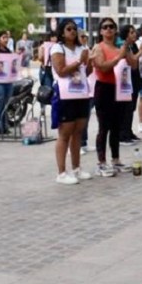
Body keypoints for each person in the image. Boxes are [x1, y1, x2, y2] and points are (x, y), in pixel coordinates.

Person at [89, 18, 132, 177]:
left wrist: (128, 50)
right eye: (105, 27)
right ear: (101, 31)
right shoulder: (98, 47)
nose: (108, 29)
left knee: (116, 126)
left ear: (115, 30)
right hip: (104, 88)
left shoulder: (119, 47)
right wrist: (119, 57)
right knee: (104, 127)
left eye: (111, 27)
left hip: (119, 88)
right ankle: (101, 162)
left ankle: (116, 159)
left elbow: (133, 65)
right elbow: (102, 67)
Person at [51, 20, 92, 185]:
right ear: (62, 32)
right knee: (65, 133)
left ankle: (76, 168)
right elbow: (61, 71)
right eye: (69, 29)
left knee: (78, 131)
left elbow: (87, 72)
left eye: (75, 29)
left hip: (81, 93)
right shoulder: (58, 48)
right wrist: (79, 61)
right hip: (65, 94)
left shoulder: (81, 49)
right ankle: (61, 173)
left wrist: (89, 61)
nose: (73, 31)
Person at [118, 24, 142, 144]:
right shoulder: (123, 46)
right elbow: (132, 61)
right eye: (131, 32)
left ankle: (128, 130)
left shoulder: (133, 45)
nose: (134, 34)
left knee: (131, 107)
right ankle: (122, 134)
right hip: (126, 78)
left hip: (135, 78)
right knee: (125, 108)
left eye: (134, 32)